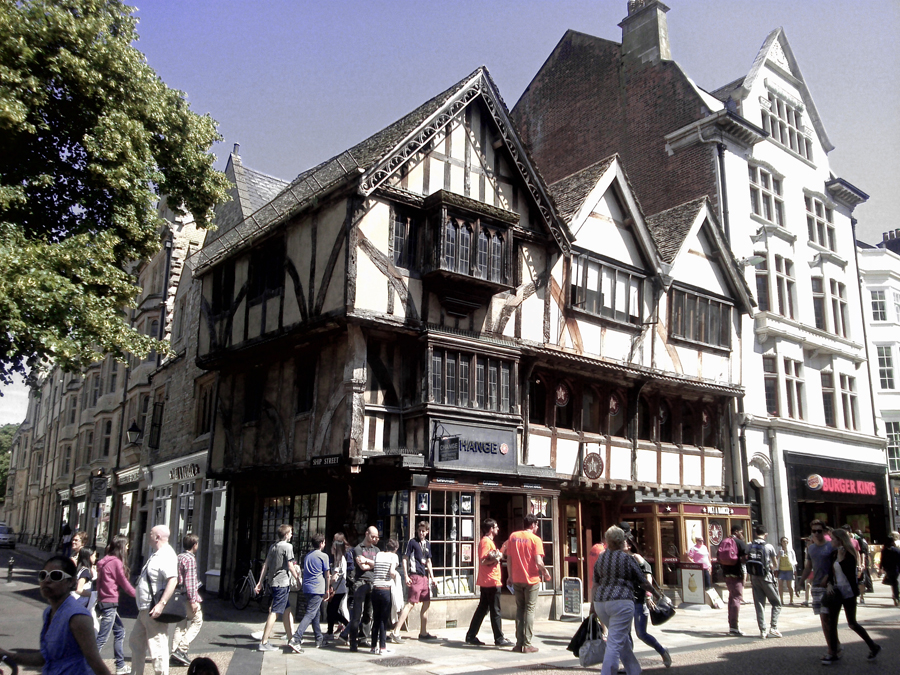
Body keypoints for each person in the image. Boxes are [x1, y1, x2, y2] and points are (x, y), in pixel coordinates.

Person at [0, 555, 112, 674]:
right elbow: (45, 657)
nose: (47, 581)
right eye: (43, 575)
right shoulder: (48, 612)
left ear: (71, 582)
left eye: (56, 576)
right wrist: (8, 655)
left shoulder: (77, 617)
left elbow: (95, 662)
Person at [594, 526, 661, 675]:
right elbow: (641, 580)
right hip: (621, 601)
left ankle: (634, 670)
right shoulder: (627, 558)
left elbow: (596, 582)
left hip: (601, 602)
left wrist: (592, 608)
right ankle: (607, 672)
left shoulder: (601, 557)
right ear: (621, 541)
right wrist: (656, 594)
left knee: (621, 639)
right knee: (615, 642)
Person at [823, 528, 880, 664]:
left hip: (848, 592)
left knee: (852, 623)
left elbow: (850, 574)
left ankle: (873, 646)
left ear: (840, 540)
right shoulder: (833, 554)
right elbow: (831, 572)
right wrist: (829, 584)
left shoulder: (849, 554)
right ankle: (833, 653)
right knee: (832, 623)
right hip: (836, 591)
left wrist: (841, 560)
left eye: (834, 539)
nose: (831, 541)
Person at [130, 525, 179, 675]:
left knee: (158, 647)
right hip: (144, 608)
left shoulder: (167, 555)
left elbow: (173, 580)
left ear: (157, 537)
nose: (148, 535)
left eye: (150, 533)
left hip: (153, 609)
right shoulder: (156, 554)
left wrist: (161, 604)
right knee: (136, 642)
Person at [505, 514, 551, 653]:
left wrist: (510, 576)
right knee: (529, 610)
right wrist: (545, 572)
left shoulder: (513, 536)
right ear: (532, 525)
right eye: (536, 525)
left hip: (517, 578)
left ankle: (519, 643)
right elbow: (538, 561)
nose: (537, 527)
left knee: (520, 610)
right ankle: (527, 643)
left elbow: (509, 559)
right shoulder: (536, 540)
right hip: (531, 579)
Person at [465, 518, 513, 647]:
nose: (498, 529)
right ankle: (499, 638)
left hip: (487, 580)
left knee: (482, 609)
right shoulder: (486, 542)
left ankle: (471, 635)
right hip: (491, 580)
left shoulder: (487, 541)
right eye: (496, 527)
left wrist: (500, 552)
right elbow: (483, 561)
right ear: (491, 529)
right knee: (495, 610)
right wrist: (496, 559)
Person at [625, 538, 671, 667]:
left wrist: (649, 596)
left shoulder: (636, 557)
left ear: (629, 545)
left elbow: (648, 577)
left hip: (639, 600)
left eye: (623, 542)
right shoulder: (620, 558)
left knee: (641, 634)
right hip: (626, 600)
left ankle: (662, 651)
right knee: (626, 633)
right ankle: (630, 665)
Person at [255, 523, 300, 652]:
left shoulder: (273, 547)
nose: (292, 534)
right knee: (274, 612)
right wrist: (298, 579)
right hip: (282, 583)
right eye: (290, 532)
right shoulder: (288, 547)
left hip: (273, 582)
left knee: (287, 611)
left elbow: (266, 565)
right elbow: (290, 566)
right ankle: (264, 642)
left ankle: (291, 639)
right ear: (286, 535)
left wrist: (260, 581)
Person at [96, 534, 136, 675]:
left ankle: (120, 665)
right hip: (109, 602)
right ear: (120, 547)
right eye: (126, 545)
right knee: (102, 638)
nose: (127, 548)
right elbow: (124, 584)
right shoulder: (116, 563)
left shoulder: (104, 561)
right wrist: (139, 596)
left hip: (104, 601)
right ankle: (85, 664)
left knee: (119, 631)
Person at [392, 521, 438, 643]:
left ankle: (423, 632)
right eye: (419, 531)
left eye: (423, 531)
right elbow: (405, 558)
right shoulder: (412, 542)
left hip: (424, 577)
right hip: (415, 575)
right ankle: (396, 631)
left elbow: (428, 561)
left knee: (427, 602)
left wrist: (432, 577)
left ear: (427, 532)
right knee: (411, 603)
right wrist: (406, 576)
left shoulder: (427, 544)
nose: (421, 533)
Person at [288, 532, 332, 653]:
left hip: (307, 588)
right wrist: (327, 590)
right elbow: (327, 574)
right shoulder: (324, 556)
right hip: (317, 587)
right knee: (310, 613)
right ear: (322, 543)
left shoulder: (307, 556)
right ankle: (296, 638)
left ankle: (319, 639)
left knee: (315, 613)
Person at [800, 519, 836, 664]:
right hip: (816, 586)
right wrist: (801, 581)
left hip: (829, 586)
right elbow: (809, 566)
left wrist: (828, 578)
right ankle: (834, 647)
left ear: (825, 531)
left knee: (827, 618)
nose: (816, 534)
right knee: (824, 619)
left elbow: (835, 564)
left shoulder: (831, 546)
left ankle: (831, 650)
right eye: (814, 531)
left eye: (819, 531)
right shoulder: (811, 548)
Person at [171, 533, 203, 667]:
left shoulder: (179, 557)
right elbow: (190, 581)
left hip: (178, 595)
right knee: (198, 620)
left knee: (181, 624)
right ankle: (181, 649)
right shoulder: (190, 559)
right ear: (194, 545)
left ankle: (174, 653)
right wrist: (193, 600)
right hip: (187, 596)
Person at [348, 526, 380, 652]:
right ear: (366, 534)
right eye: (372, 536)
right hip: (360, 583)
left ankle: (363, 638)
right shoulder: (358, 548)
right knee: (356, 614)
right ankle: (353, 642)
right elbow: (362, 566)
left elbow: (378, 564)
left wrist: (368, 562)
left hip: (372, 582)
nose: (374, 539)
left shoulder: (376, 549)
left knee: (368, 613)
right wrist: (371, 563)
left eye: (376, 537)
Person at [747, 525, 781, 640]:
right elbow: (775, 564)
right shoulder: (769, 546)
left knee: (759, 604)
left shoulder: (749, 545)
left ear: (756, 533)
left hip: (754, 578)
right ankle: (774, 627)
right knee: (776, 602)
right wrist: (771, 566)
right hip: (766, 577)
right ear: (765, 534)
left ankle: (762, 631)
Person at [369, 538, 400, 655]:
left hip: (375, 588)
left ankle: (373, 646)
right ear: (395, 549)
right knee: (383, 619)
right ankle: (382, 647)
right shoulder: (394, 557)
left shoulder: (378, 554)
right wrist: (394, 575)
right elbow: (392, 572)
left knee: (376, 619)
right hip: (385, 590)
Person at [720, 524, 749, 636]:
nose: (742, 534)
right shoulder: (740, 543)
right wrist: (745, 576)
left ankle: (732, 624)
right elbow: (744, 560)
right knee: (737, 598)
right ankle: (734, 627)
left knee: (732, 597)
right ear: (736, 532)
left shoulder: (724, 541)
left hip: (727, 573)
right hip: (737, 574)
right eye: (741, 532)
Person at [325, 533, 348, 641]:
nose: (331, 549)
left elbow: (334, 577)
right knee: (330, 610)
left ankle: (348, 625)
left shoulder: (340, 560)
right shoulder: (336, 559)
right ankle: (330, 631)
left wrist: (328, 577)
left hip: (339, 590)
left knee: (333, 611)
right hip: (336, 589)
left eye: (333, 547)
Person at [878, 531, 900, 606]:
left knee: (893, 583)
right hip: (896, 568)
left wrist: (880, 569)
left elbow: (882, 560)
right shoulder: (896, 550)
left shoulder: (884, 551)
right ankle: (896, 596)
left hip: (888, 569)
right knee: (895, 583)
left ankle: (895, 596)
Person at [776, 536, 797, 605]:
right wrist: (778, 555)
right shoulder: (779, 550)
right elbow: (775, 559)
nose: (785, 543)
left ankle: (791, 600)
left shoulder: (791, 550)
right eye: (783, 541)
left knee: (789, 586)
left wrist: (795, 570)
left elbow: (794, 561)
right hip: (781, 570)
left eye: (786, 541)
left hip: (789, 569)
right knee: (780, 585)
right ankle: (781, 600)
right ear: (781, 543)